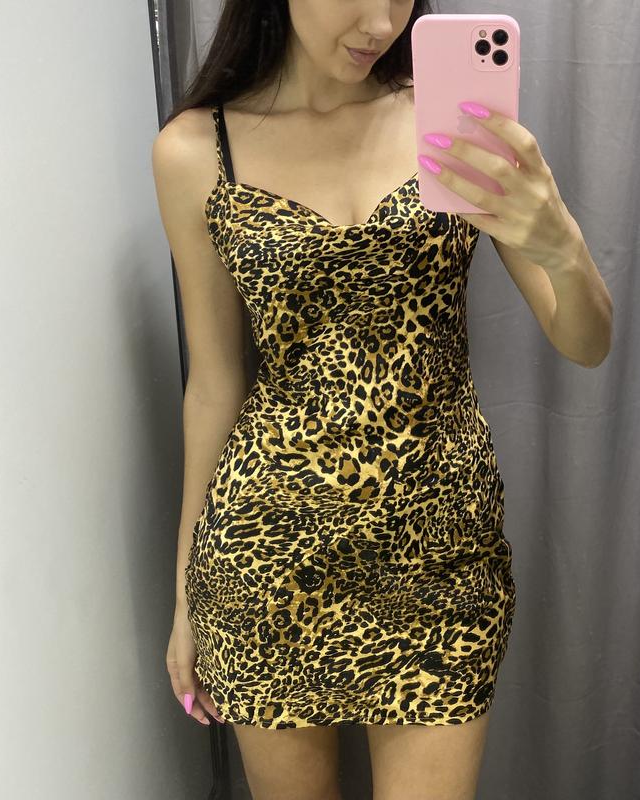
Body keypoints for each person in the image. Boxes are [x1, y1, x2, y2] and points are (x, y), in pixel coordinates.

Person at [152, 2, 519, 798]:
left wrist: (553, 229)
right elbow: (213, 384)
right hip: (265, 558)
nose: (381, 22)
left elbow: (587, 339)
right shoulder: (194, 150)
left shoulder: (453, 120)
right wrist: (185, 595)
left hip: (439, 552)